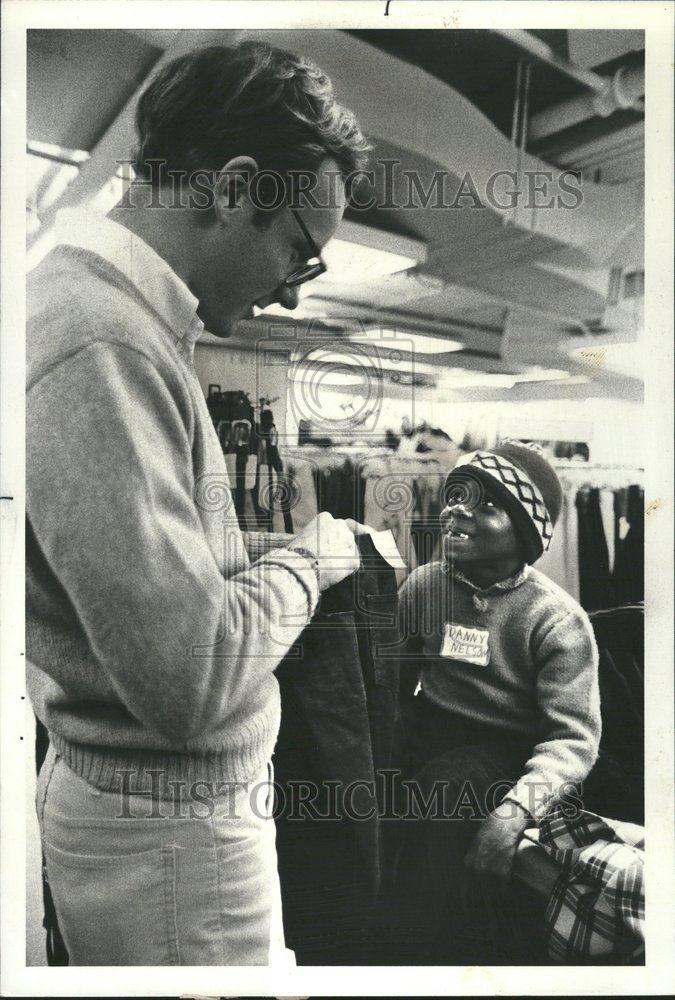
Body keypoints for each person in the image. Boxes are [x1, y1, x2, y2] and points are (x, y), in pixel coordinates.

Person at [26, 41, 370, 966]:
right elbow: (193, 672)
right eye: (299, 250)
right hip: (171, 837)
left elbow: (170, 546)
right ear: (233, 187)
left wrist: (276, 542)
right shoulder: (104, 344)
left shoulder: (122, 324)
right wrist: (313, 561)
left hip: (155, 827)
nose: (292, 293)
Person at [386, 441, 602, 963]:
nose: (458, 511)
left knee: (440, 796)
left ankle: (419, 960)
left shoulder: (557, 620)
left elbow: (572, 741)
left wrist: (513, 814)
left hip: (508, 749)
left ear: (524, 536)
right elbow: (391, 684)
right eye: (458, 496)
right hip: (431, 727)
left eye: (486, 506)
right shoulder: (424, 586)